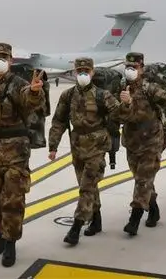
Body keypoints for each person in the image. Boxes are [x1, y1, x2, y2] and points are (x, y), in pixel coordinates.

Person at [47, 57, 129, 245]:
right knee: (87, 186)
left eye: (86, 70)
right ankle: (96, 220)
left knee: (87, 187)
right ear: (75, 72)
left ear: (92, 72)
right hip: (77, 146)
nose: (83, 73)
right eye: (79, 71)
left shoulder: (102, 95)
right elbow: (59, 121)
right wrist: (53, 146)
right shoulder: (68, 95)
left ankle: (76, 227)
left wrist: (127, 103)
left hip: (97, 147)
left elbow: (121, 115)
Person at [0, 42, 46, 268]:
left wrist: (35, 91)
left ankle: (10, 242)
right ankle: (1, 234)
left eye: (4, 57)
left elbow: (30, 99)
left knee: (12, 200)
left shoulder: (18, 83)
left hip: (15, 151)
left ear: (11, 60)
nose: (0, 61)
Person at [118, 52, 166, 236]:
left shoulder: (149, 88)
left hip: (151, 141)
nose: (130, 70)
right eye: (128, 67)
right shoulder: (121, 86)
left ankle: (134, 220)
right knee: (141, 178)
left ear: (141, 68)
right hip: (132, 141)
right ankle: (154, 208)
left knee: (142, 180)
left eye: (134, 67)